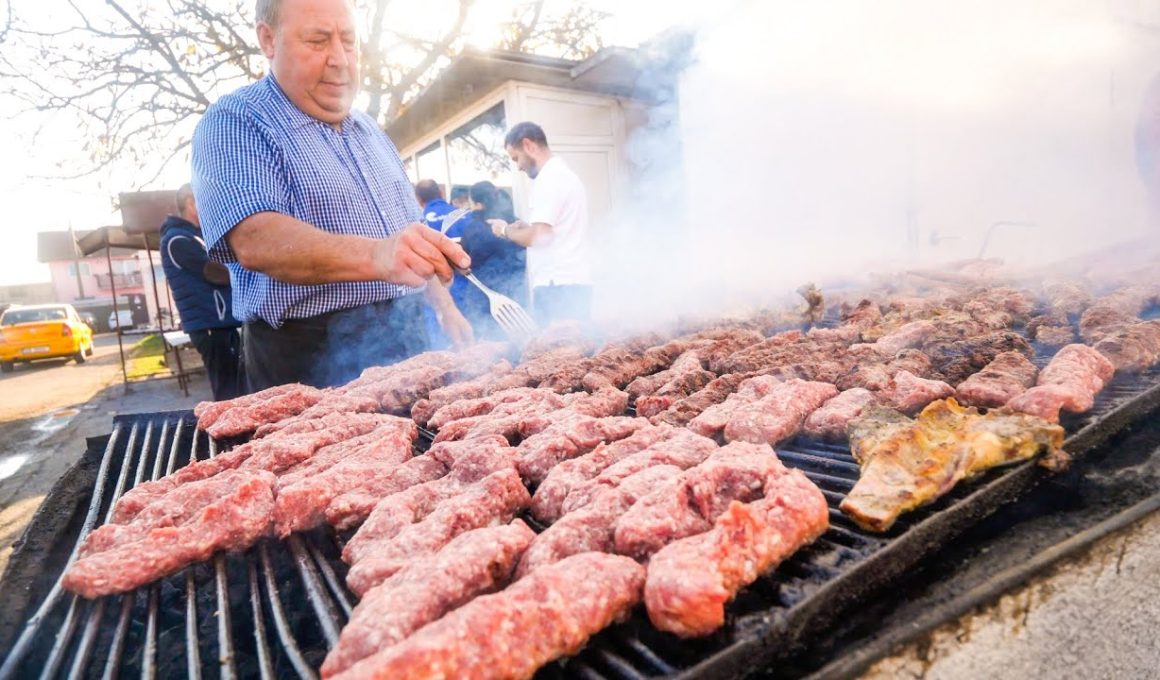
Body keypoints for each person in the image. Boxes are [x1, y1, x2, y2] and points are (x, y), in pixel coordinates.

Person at [191, 0, 472, 392]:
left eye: (349, 41)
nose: (340, 59)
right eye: (318, 40)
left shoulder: (372, 131)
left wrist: (446, 308)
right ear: (268, 39)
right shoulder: (235, 120)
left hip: (405, 337)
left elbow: (411, 235)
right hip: (307, 356)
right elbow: (255, 239)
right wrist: (379, 255)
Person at [489, 121, 593, 325]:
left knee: (556, 353)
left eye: (516, 158)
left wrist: (503, 230)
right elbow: (551, 230)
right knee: (575, 348)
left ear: (528, 145)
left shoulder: (549, 178)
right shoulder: (564, 175)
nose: (518, 166)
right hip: (572, 283)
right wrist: (525, 228)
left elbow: (540, 236)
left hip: (558, 287)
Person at [159, 184, 244, 400]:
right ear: (191, 203)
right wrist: (248, 265)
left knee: (237, 386)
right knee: (227, 391)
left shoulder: (196, 236)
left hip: (222, 324)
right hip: (210, 326)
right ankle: (227, 432)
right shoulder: (177, 240)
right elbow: (215, 273)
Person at [459, 181, 528, 339]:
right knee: (518, 339)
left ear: (477, 204)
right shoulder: (515, 223)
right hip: (516, 293)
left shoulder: (474, 228)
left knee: (487, 343)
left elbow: (465, 261)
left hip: (482, 297)